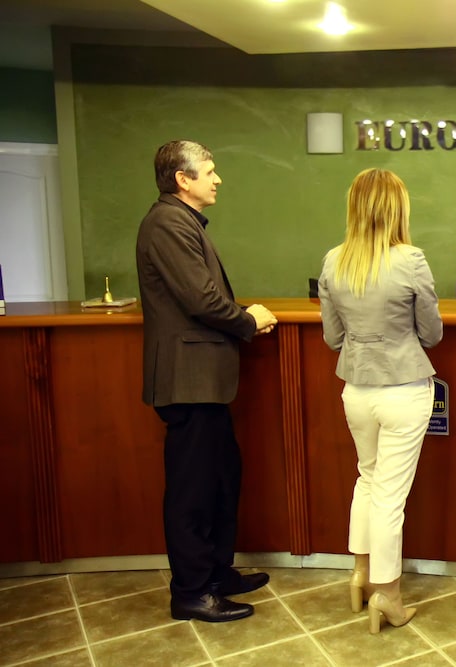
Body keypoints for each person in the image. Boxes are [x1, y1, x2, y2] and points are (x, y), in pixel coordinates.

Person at [135, 140, 278, 622]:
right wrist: (248, 320)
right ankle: (192, 592)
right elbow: (200, 299)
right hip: (187, 381)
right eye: (210, 171)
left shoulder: (182, 221)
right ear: (183, 179)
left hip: (204, 383)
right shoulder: (167, 223)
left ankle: (216, 573)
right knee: (193, 491)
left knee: (220, 479)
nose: (217, 179)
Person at [318, 168, 443, 634]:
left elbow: (333, 338)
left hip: (356, 390)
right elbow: (431, 333)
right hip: (404, 388)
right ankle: (387, 596)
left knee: (367, 480)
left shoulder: (334, 261)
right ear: (397, 209)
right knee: (390, 496)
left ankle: (360, 575)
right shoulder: (411, 260)